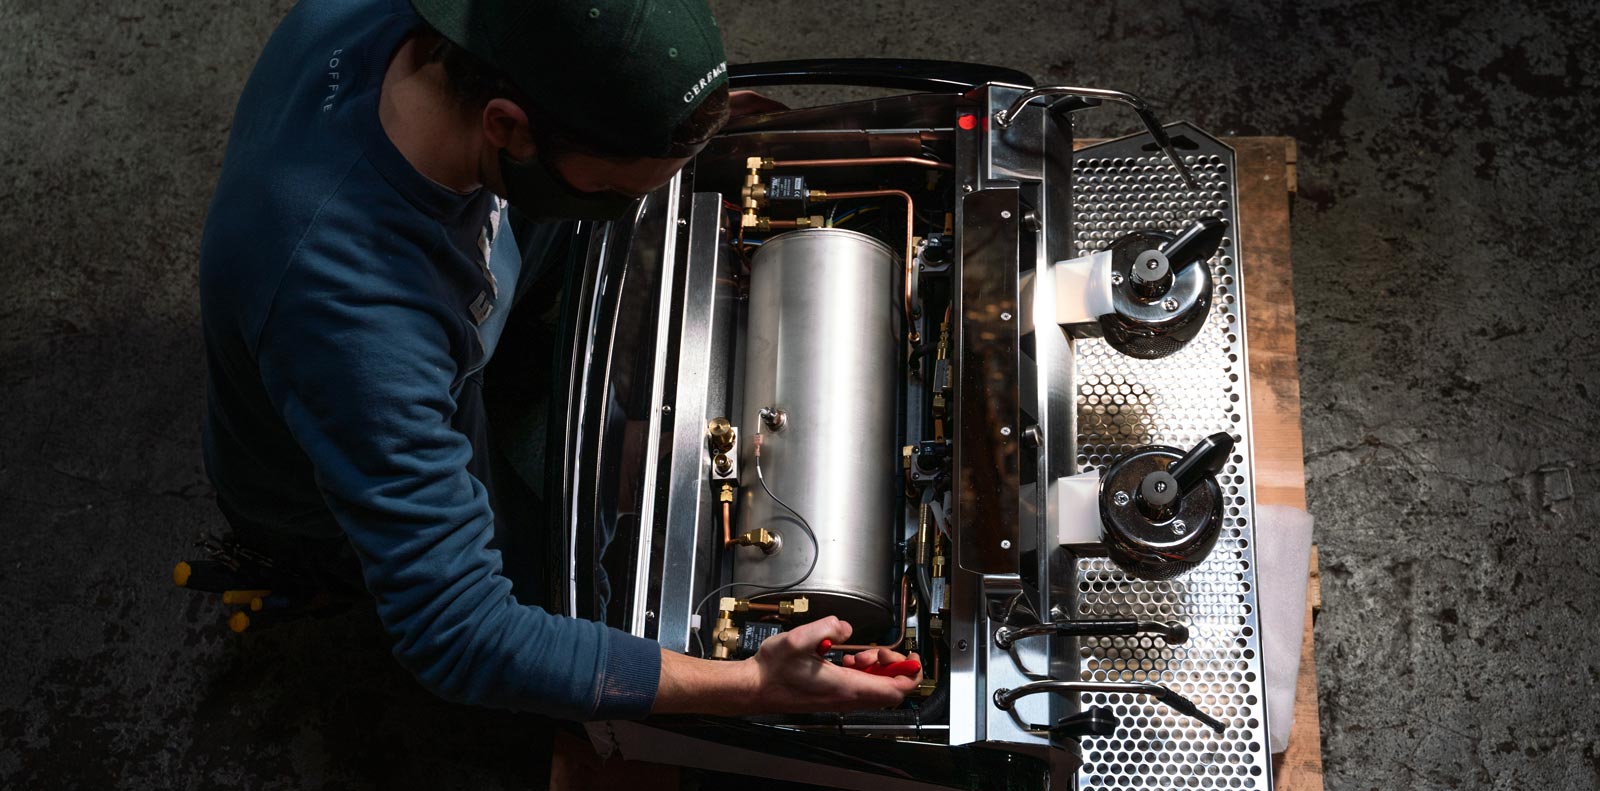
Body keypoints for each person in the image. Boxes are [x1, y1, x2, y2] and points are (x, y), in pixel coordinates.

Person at [197, 0, 918, 722]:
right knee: (567, 592)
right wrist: (751, 687)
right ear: (507, 126)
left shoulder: (457, 30)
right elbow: (458, 634)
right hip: (322, 495)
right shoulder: (361, 317)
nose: (627, 204)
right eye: (617, 191)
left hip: (461, 308)